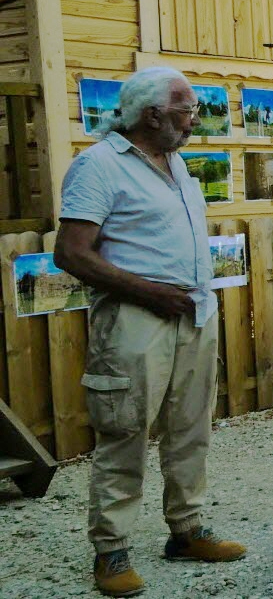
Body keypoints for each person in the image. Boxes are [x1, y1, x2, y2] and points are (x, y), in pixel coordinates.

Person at [55, 67, 246, 597]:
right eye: (187, 109)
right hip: (136, 320)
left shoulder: (176, 162)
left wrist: (182, 294)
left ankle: (186, 531)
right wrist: (149, 291)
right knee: (125, 433)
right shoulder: (98, 166)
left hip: (192, 313)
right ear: (152, 114)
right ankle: (111, 552)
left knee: (191, 429)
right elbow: (70, 252)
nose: (195, 119)